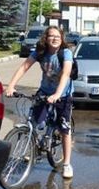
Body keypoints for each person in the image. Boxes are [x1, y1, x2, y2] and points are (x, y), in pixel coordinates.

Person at [5, 26, 75, 179]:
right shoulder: (40, 52)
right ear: (46, 38)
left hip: (63, 94)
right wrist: (11, 85)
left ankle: (66, 164)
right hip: (45, 91)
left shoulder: (66, 53)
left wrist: (57, 93)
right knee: (35, 120)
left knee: (64, 128)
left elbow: (66, 74)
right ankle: (33, 147)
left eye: (57, 36)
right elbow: (24, 67)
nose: (54, 39)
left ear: (61, 38)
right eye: (51, 36)